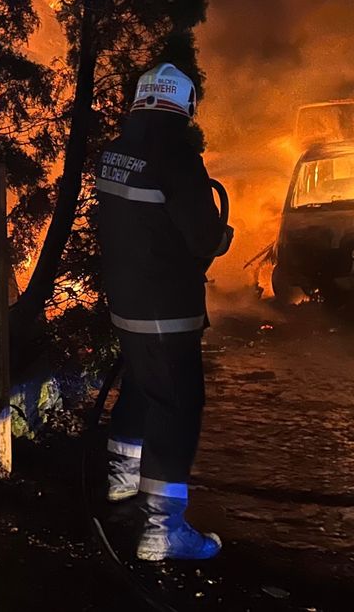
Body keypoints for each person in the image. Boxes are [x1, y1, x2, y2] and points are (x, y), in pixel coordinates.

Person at [95, 62, 233, 561]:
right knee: (177, 405)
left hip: (126, 303)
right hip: (167, 308)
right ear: (186, 105)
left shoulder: (114, 152)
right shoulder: (177, 156)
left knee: (142, 384)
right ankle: (162, 529)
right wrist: (222, 237)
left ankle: (121, 481)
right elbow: (203, 237)